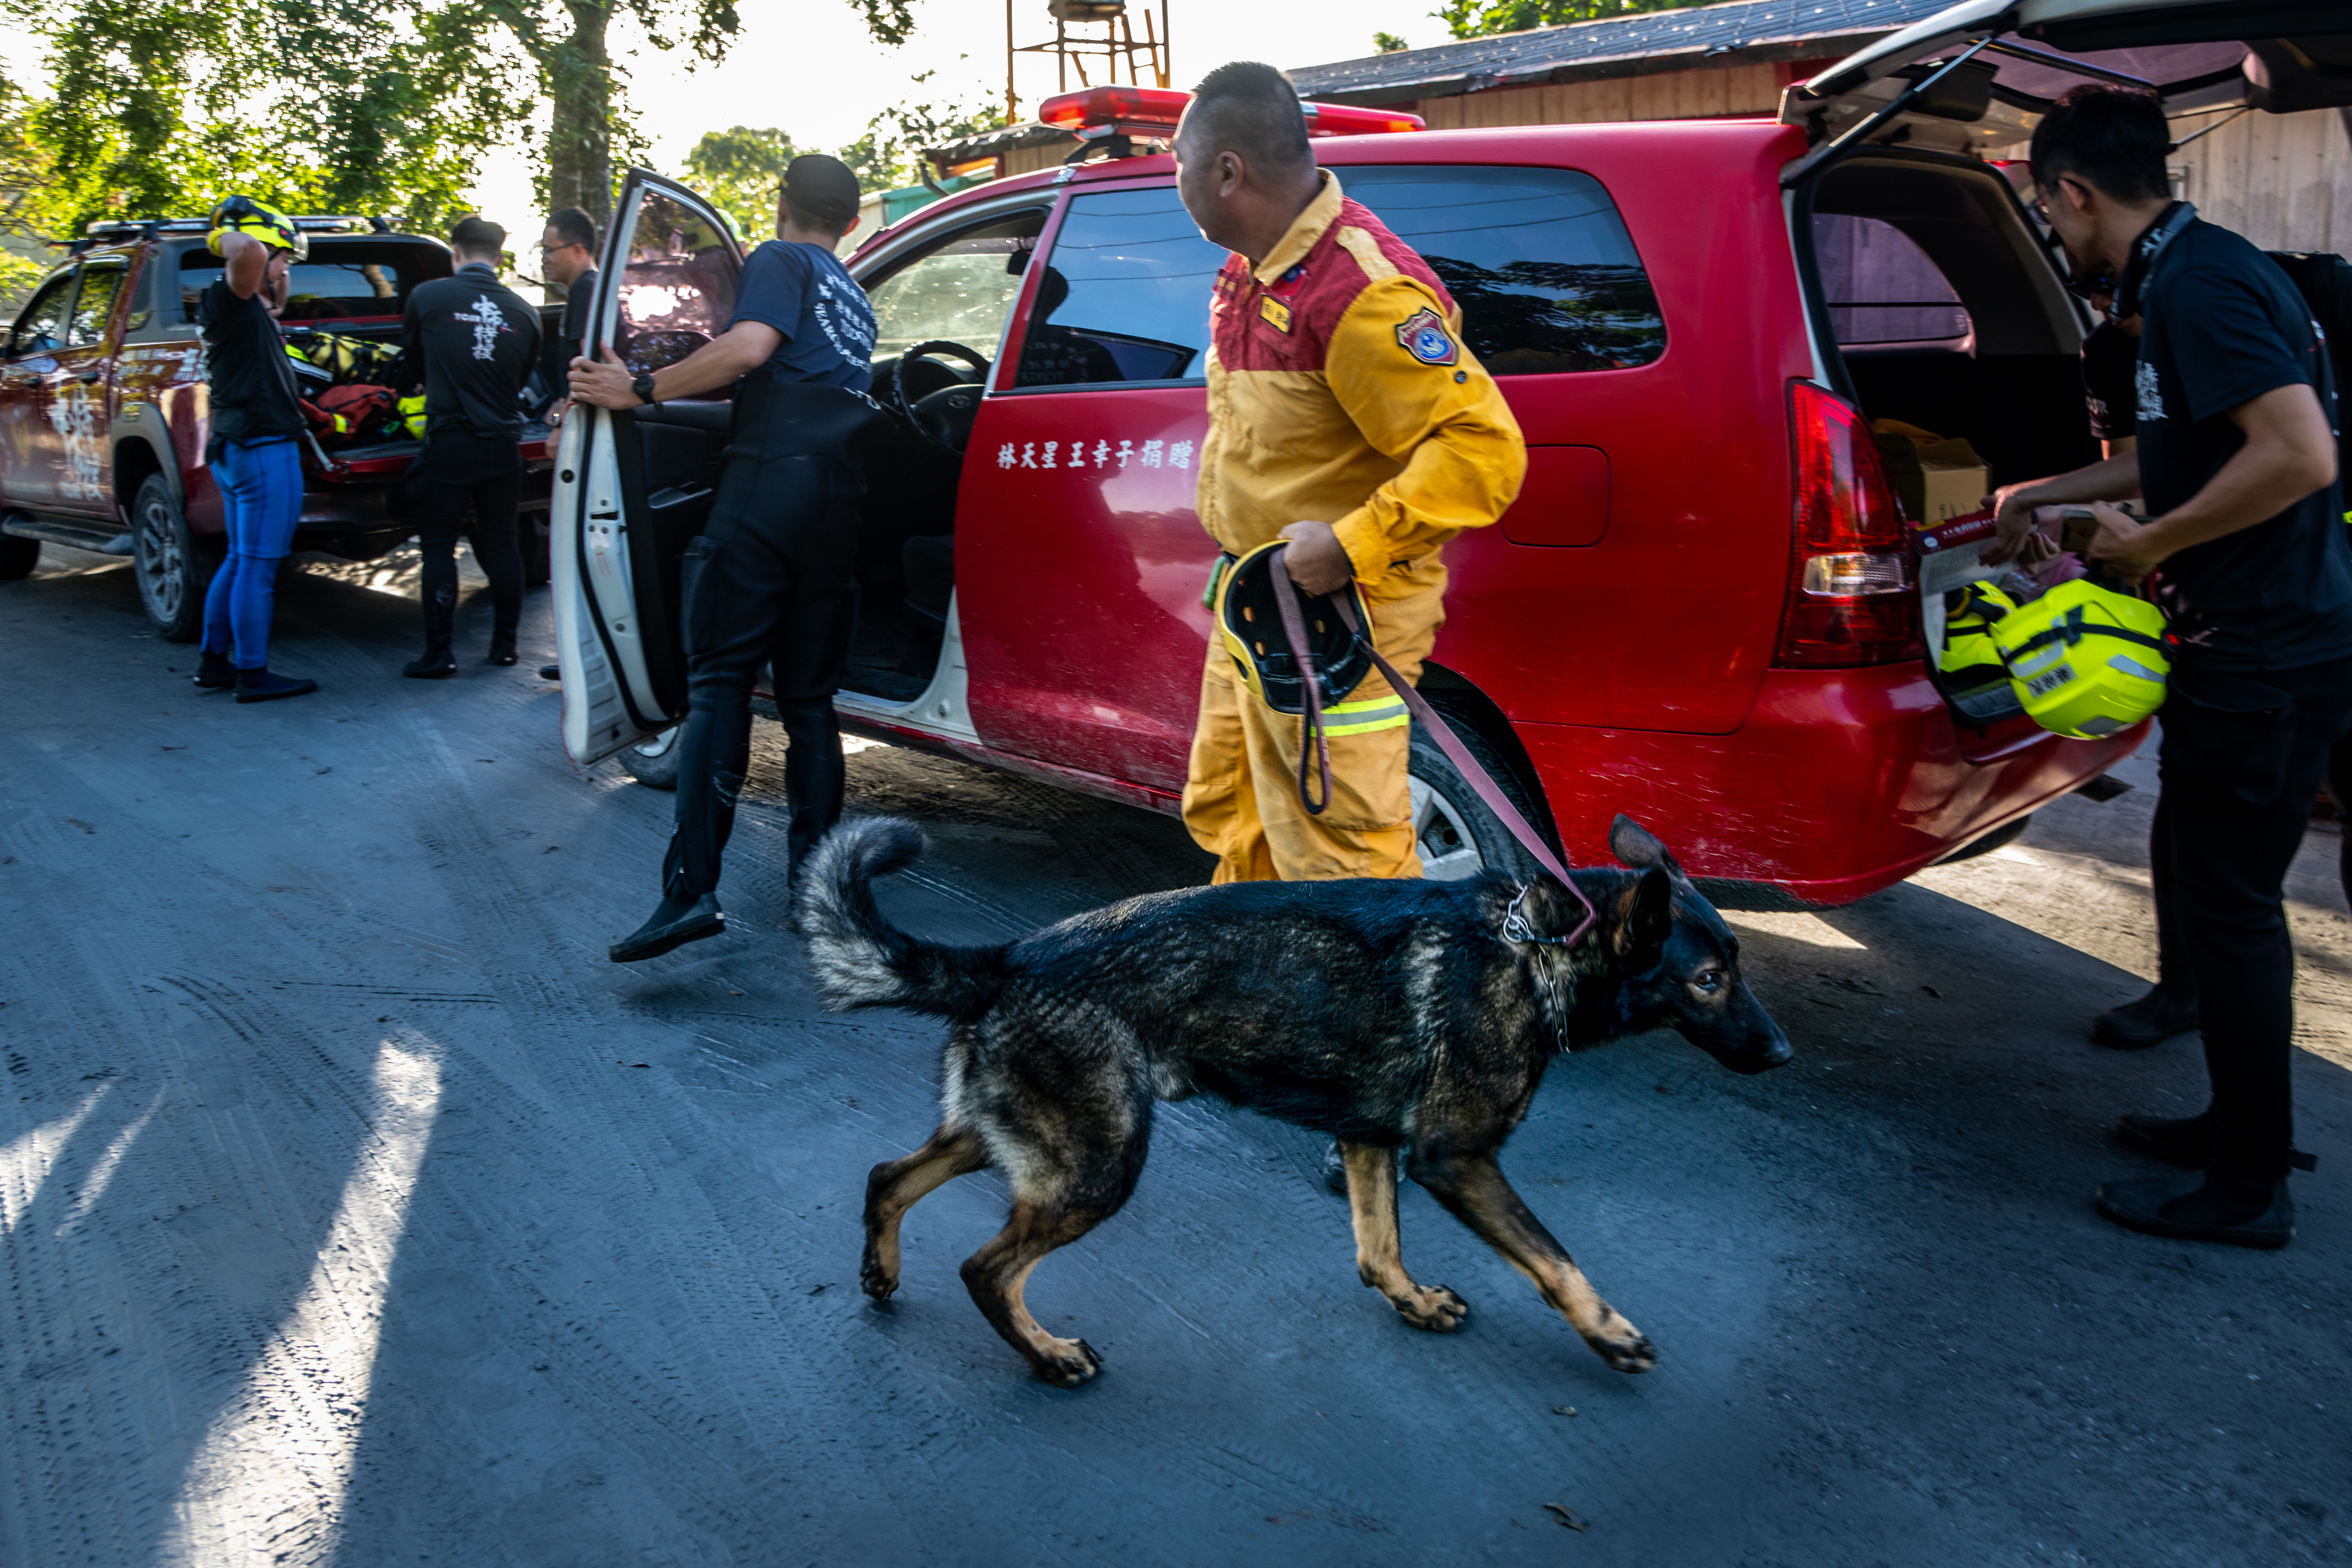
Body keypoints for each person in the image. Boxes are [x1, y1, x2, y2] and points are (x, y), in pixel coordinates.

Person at [1983, 85, 2349, 1248]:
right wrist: (2042, 492)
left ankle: (2246, 1186)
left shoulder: (2196, 288)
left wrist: (2150, 543)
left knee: (2232, 912)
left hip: (2265, 647)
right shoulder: (2196, 274)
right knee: (2207, 885)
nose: (2056, 225)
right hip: (2248, 635)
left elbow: (2295, 455)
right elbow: (2168, 454)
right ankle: (2231, 1127)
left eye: (2048, 203)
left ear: (2072, 191)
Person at [1170, 61, 1527, 1190]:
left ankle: (1401, 1093)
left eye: (1179, 162)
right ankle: (1245, 1027)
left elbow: (1484, 451)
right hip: (1260, 616)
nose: (1173, 180)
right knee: (1244, 828)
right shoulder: (1255, 270)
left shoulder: (1359, 292)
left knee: (1356, 863)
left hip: (1335, 628)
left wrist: (1353, 543)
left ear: (1227, 169)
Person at [570, 155, 891, 963]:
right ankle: (817, 890)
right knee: (810, 704)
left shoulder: (780, 259)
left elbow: (748, 349)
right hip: (839, 505)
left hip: (768, 488)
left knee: (718, 682)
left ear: (783, 207)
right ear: (852, 223)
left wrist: (637, 391)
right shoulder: (853, 295)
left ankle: (689, 891)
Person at [397, 214, 540, 675]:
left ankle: (439, 655)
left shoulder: (428, 297)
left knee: (439, 546)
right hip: (503, 446)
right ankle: (505, 647)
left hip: (450, 442)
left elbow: (412, 367)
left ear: (454, 253)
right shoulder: (525, 312)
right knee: (502, 544)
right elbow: (519, 381)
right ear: (498, 258)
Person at [190, 197, 320, 703]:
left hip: (238, 445)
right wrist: (228, 233)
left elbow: (275, 304)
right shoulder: (230, 292)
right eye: (281, 256)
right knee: (259, 568)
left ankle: (214, 661)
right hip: (262, 449)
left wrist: (278, 278)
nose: (285, 266)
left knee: (240, 560)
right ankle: (252, 673)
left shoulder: (240, 306)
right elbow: (242, 249)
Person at [540, 206, 599, 422]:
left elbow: (589, 367)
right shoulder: (588, 287)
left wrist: (562, 422)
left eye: (549, 250)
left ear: (577, 250)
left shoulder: (585, 289)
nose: (544, 259)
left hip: (584, 419)